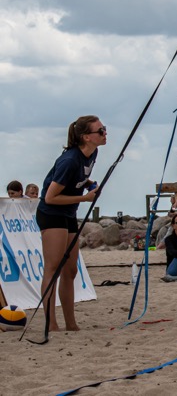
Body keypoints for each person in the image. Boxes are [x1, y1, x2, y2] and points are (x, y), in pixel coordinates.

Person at [36, 116, 104, 332]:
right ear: (86, 137)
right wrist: (85, 198)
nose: (105, 133)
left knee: (71, 270)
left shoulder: (93, 153)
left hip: (68, 213)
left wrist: (89, 184)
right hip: (51, 213)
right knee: (53, 267)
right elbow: (50, 197)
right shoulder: (69, 160)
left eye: (104, 129)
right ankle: (51, 323)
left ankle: (71, 323)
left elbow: (79, 179)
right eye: (100, 130)